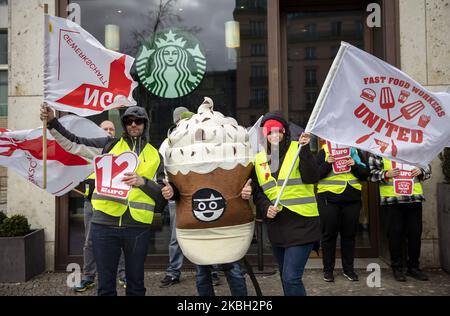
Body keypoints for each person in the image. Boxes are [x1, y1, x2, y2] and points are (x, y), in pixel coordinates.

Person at [40, 104, 166, 296]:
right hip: (104, 224)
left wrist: (143, 183)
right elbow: (74, 142)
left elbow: (161, 196)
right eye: (129, 121)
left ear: (145, 124)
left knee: (136, 285)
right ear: (124, 124)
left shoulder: (156, 155)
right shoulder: (109, 145)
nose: (133, 124)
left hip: (137, 227)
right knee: (105, 286)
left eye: (138, 121)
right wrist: (52, 122)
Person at [250, 113, 321, 296]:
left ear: (284, 132)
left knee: (291, 278)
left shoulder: (298, 149)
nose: (274, 136)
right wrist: (266, 208)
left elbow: (312, 177)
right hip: (277, 225)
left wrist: (305, 151)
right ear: (264, 135)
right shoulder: (259, 159)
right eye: (270, 133)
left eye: (278, 132)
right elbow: (258, 192)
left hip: (302, 222)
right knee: (284, 276)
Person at [159, 107, 222, 288]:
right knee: (176, 236)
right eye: (181, 122)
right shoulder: (167, 143)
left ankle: (212, 270)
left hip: (199, 195)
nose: (184, 126)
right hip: (177, 197)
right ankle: (173, 272)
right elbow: (161, 169)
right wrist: (167, 186)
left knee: (206, 233)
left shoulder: (201, 140)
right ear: (176, 123)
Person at [161, 178, 247, 296]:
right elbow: (180, 184)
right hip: (197, 223)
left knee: (232, 269)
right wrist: (172, 191)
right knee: (203, 271)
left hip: (223, 222)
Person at [73, 120, 127, 292]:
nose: (109, 131)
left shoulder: (121, 150)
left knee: (119, 240)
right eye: (105, 129)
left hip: (115, 203)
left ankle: (123, 275)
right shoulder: (90, 151)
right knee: (89, 241)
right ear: (98, 131)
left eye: (111, 129)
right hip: (91, 203)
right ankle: (88, 276)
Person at [369, 154, 431, 282]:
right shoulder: (379, 150)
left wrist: (422, 171)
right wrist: (386, 174)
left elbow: (428, 169)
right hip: (392, 200)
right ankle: (397, 268)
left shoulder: (417, 148)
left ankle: (413, 268)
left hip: (414, 198)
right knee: (395, 235)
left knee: (415, 235)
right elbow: (371, 175)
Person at [316, 141, 370, 282]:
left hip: (352, 199)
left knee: (349, 236)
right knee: (329, 235)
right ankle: (328, 271)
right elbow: (315, 175)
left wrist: (355, 165)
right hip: (329, 199)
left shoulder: (354, 151)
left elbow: (365, 174)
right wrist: (327, 163)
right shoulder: (324, 151)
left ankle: (349, 270)